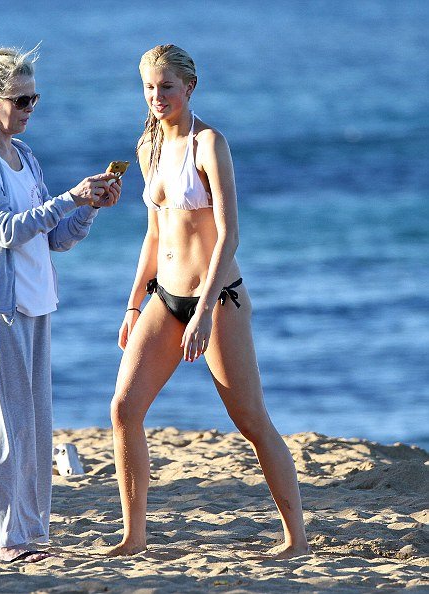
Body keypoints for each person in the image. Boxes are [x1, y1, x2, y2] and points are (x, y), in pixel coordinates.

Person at [108, 44, 309, 558]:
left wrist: (202, 312)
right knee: (124, 409)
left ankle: (296, 538)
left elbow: (228, 235)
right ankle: (133, 538)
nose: (157, 97)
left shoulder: (209, 144)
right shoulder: (147, 145)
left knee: (251, 421)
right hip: (165, 297)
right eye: (150, 87)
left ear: (189, 87)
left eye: (167, 87)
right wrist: (134, 304)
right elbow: (154, 237)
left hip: (218, 301)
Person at [0, 42, 121, 563]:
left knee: (36, 426)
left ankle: (20, 533)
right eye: (20, 101)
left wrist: (89, 206)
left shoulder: (24, 157)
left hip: (37, 302)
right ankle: (8, 539)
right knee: (10, 426)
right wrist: (69, 195)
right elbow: (2, 228)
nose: (28, 110)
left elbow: (53, 237)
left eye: (33, 100)